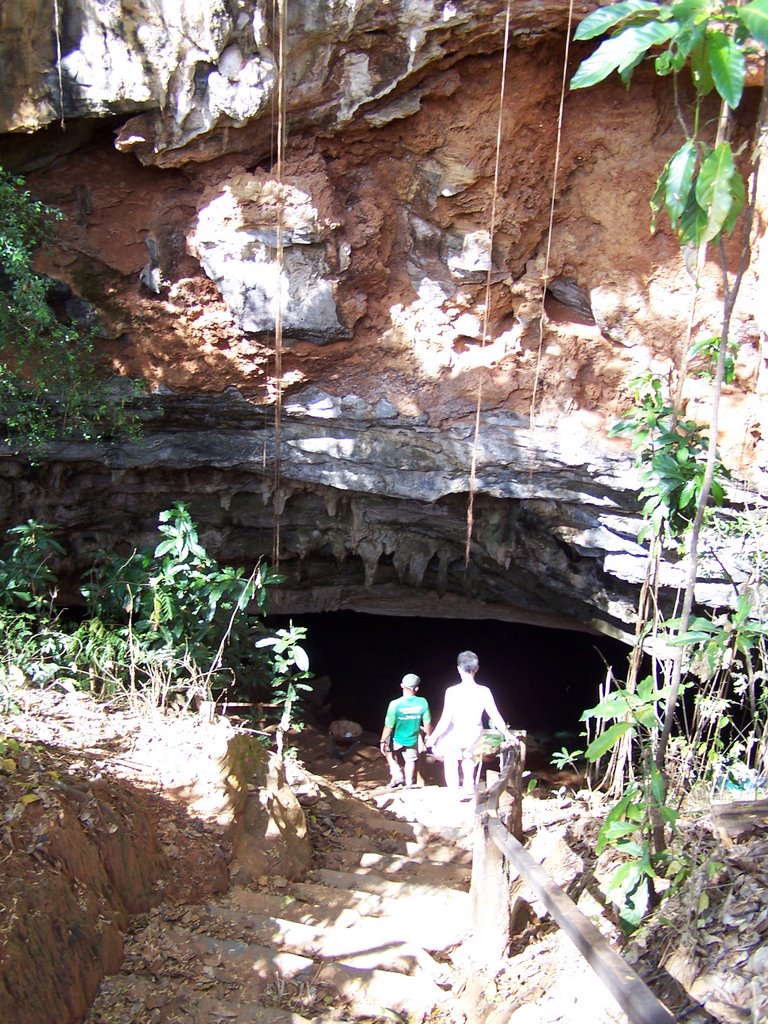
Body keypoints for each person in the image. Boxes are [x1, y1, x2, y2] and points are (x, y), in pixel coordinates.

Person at [428, 650, 510, 798]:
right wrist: (506, 733)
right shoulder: (484, 691)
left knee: (450, 758)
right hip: (474, 734)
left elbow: (446, 719)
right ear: (477, 669)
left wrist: (432, 738)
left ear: (458, 669)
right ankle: (468, 786)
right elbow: (494, 714)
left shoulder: (452, 691)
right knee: (469, 756)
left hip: (455, 734)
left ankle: (453, 791)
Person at [380, 673, 432, 789]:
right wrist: (428, 735)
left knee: (388, 752)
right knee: (410, 760)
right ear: (417, 688)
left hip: (397, 738)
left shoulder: (395, 704)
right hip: (412, 739)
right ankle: (408, 783)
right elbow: (427, 723)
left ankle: (396, 773)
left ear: (402, 685)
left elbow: (388, 726)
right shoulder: (422, 702)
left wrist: (382, 741)